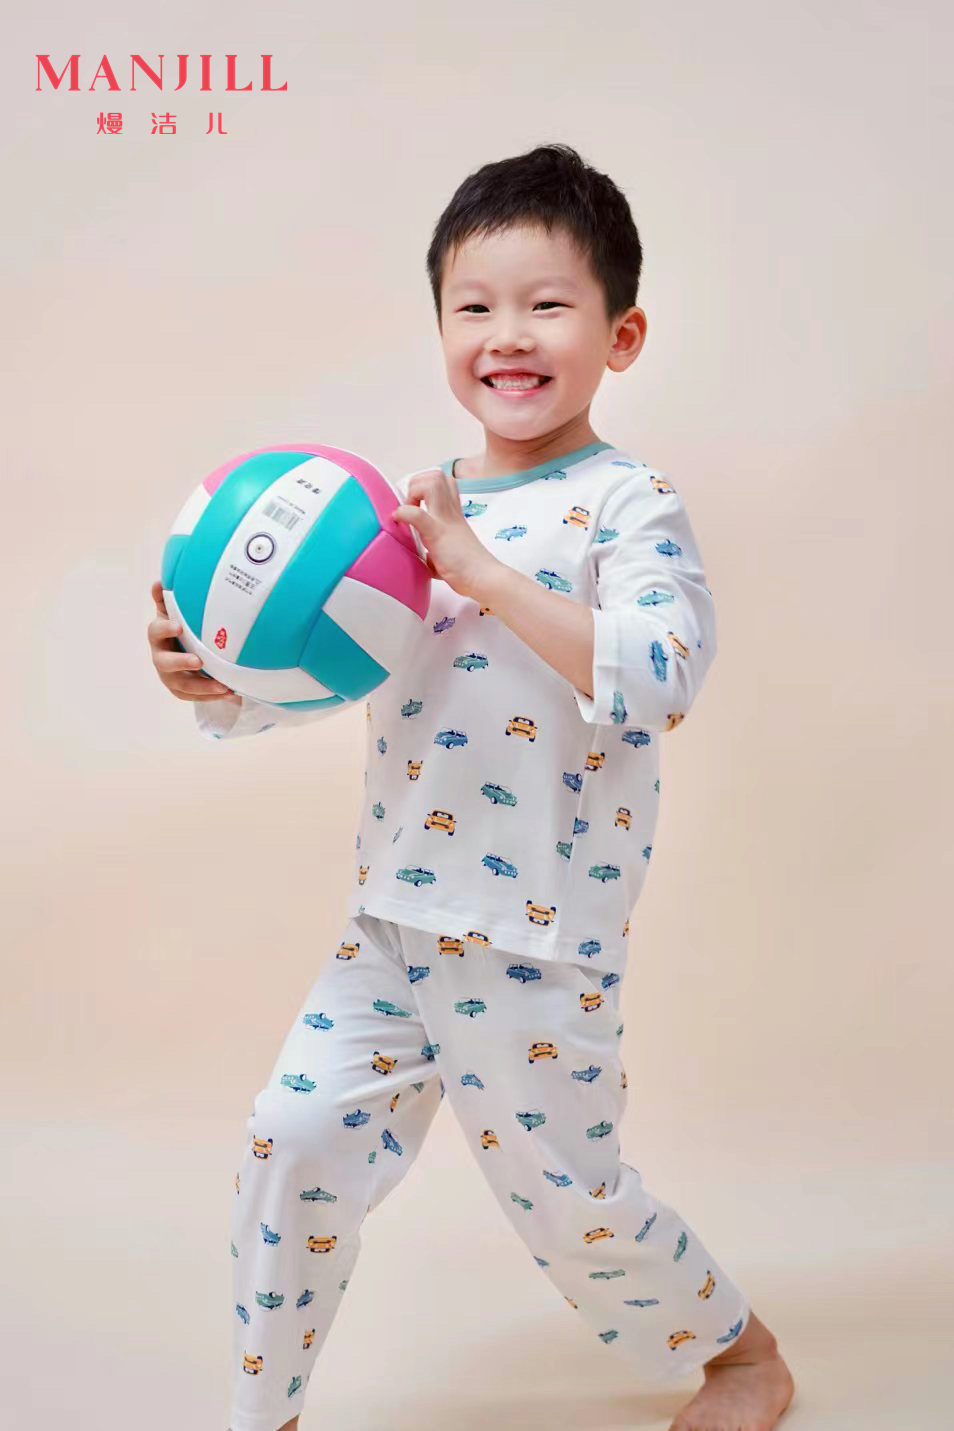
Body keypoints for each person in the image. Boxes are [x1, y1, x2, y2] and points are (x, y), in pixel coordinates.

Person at [148, 142, 795, 1431]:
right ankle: (263, 1413)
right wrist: (213, 680)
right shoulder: (401, 518)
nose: (508, 335)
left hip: (537, 934)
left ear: (620, 335)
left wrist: (482, 570)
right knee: (292, 1139)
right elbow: (335, 674)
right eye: (474, 307)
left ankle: (741, 1354)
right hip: (392, 918)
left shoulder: (628, 504)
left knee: (570, 1201)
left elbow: (660, 674)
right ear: (441, 328)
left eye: (548, 304)